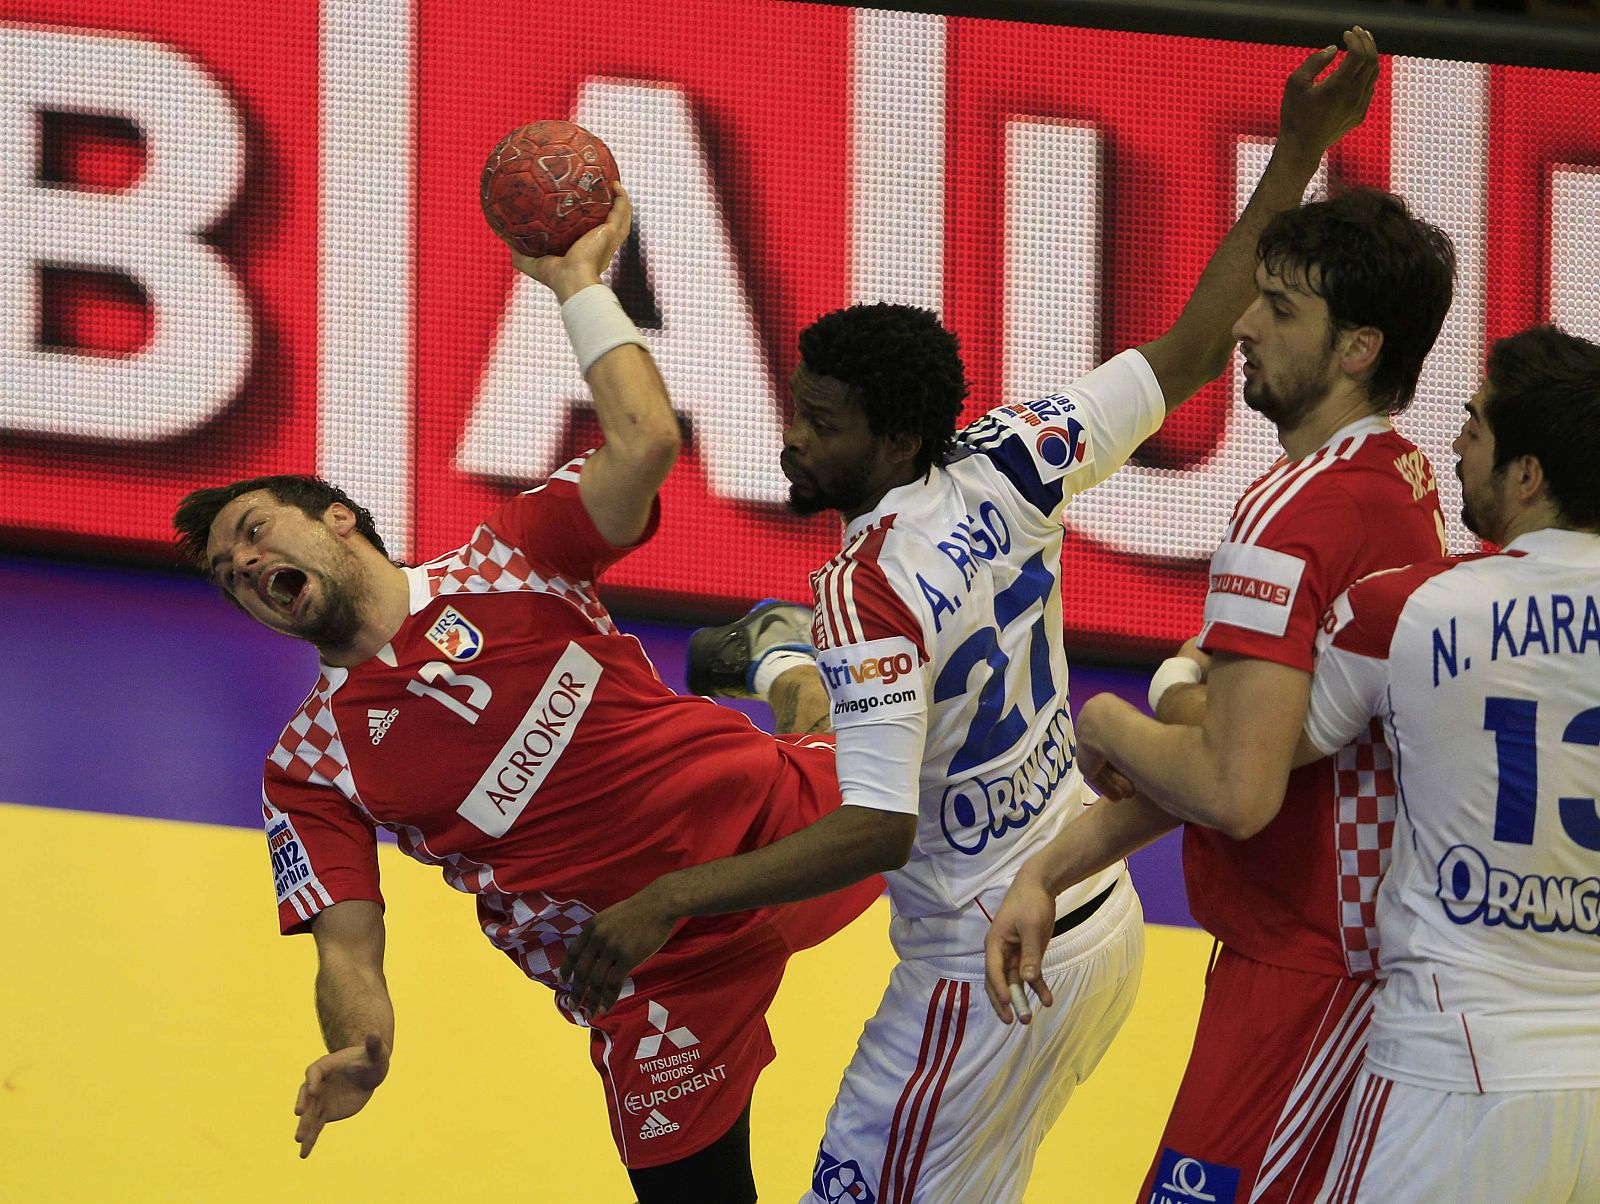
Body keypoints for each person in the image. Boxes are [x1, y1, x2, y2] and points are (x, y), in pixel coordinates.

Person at [558, 31, 1381, 1202]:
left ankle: (782, 655)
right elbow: (1201, 343)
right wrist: (1301, 146)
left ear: (892, 442)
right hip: (1097, 932)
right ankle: (782, 660)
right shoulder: (1014, 453)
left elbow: (875, 832)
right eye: (796, 407)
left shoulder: (865, 587)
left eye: (821, 421)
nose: (791, 437)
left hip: (979, 969)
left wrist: (664, 901)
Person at [170, 188, 882, 1204]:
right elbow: (347, 949)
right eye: (229, 573)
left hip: (778, 824)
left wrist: (582, 288)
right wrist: (361, 1045)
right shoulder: (309, 765)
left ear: (335, 517)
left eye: (252, 532)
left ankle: (784, 669)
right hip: (645, 973)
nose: (244, 565)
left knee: (971, 810)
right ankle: (780, 663)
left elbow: (644, 446)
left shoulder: (510, 559)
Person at [985, 185, 1459, 1201]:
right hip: (1326, 958)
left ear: (1356, 349)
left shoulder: (1292, 513)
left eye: (1280, 308)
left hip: (1307, 971)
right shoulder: (1397, 477)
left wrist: (1106, 717)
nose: (1243, 325)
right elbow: (1261, 751)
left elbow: (1233, 787)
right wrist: (1051, 869)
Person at [1309, 327, 1600, 1202]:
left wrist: (1169, 683)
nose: (1456, 446)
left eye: (1474, 427)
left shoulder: (1403, 607)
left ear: (1528, 475)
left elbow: (1236, 770)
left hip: (1449, 1073)